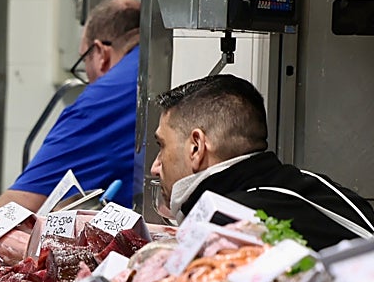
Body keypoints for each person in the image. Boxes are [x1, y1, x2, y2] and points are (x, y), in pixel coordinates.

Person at [0, 0, 142, 211]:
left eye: (84, 61)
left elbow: (12, 213)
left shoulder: (102, 101)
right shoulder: (156, 70)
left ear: (100, 54)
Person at [150, 74, 374, 250]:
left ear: (196, 147)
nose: (155, 166)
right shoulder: (310, 186)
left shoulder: (231, 224)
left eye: (162, 146)